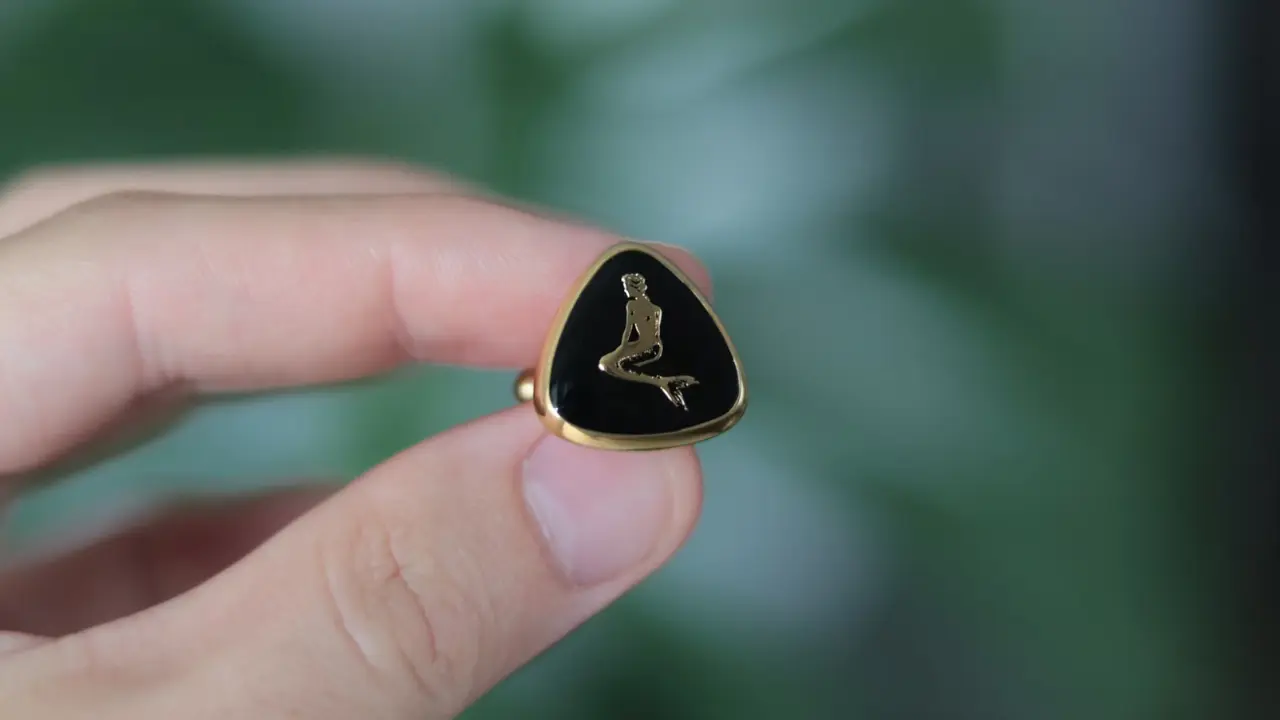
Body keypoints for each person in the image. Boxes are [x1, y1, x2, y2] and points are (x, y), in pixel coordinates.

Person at [0, 159, 710, 718]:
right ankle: (666, 386)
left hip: (609, 375)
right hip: (599, 378)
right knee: (629, 366)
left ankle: (668, 386)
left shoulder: (639, 304)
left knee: (630, 365)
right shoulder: (633, 303)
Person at [598, 272, 698, 409]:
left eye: (626, 286)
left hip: (644, 347)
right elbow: (655, 333)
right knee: (615, 364)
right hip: (656, 347)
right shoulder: (656, 309)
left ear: (633, 288)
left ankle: (658, 382)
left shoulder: (631, 305)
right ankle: (662, 382)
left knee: (606, 364)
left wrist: (620, 350)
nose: (625, 290)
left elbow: (628, 332)